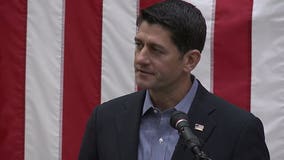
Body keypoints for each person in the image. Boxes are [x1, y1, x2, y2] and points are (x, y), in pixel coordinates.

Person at [78, 0, 270, 160]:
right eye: (139, 45)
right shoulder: (105, 119)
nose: (140, 58)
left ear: (190, 60)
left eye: (156, 50)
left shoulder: (238, 129)